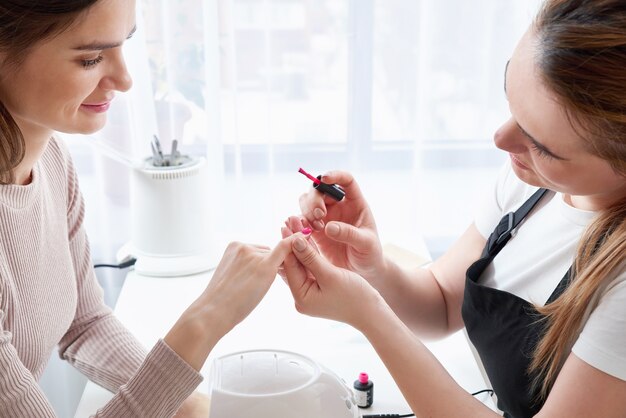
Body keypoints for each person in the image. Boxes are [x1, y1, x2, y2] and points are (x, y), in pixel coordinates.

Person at [280, 1, 626, 417]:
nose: (500, 139)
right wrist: (371, 267)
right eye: (511, 102)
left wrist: (367, 314)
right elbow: (442, 303)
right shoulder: (530, 181)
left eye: (542, 145)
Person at [0, 1, 301, 417]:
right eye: (90, 58)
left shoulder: (51, 160)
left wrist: (187, 402)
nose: (125, 80)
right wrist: (205, 320)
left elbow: (84, 324)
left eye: (125, 43)